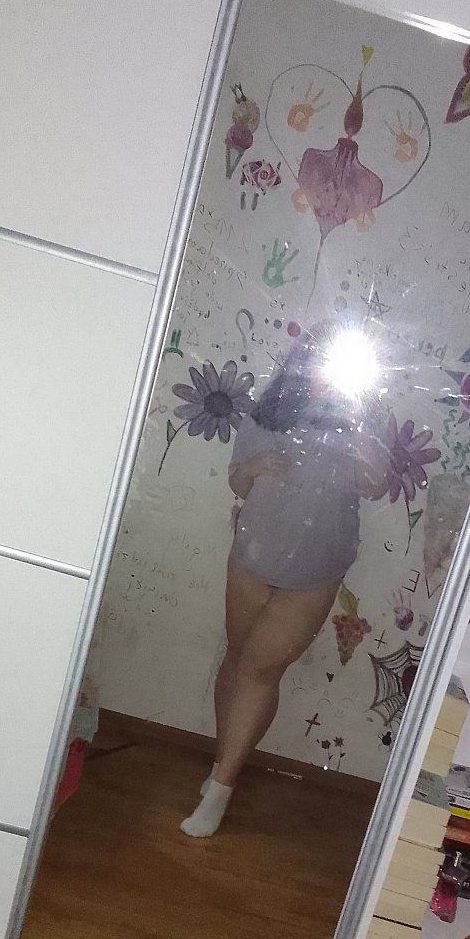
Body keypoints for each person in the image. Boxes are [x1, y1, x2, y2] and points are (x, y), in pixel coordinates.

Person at [181, 320, 391, 837]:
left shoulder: (364, 418)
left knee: (260, 669)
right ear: (304, 361)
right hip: (252, 556)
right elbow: (237, 482)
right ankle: (222, 765)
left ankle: (221, 790)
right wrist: (252, 465)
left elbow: (375, 484)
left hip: (316, 569)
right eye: (319, 359)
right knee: (237, 660)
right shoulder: (270, 409)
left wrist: (360, 434)